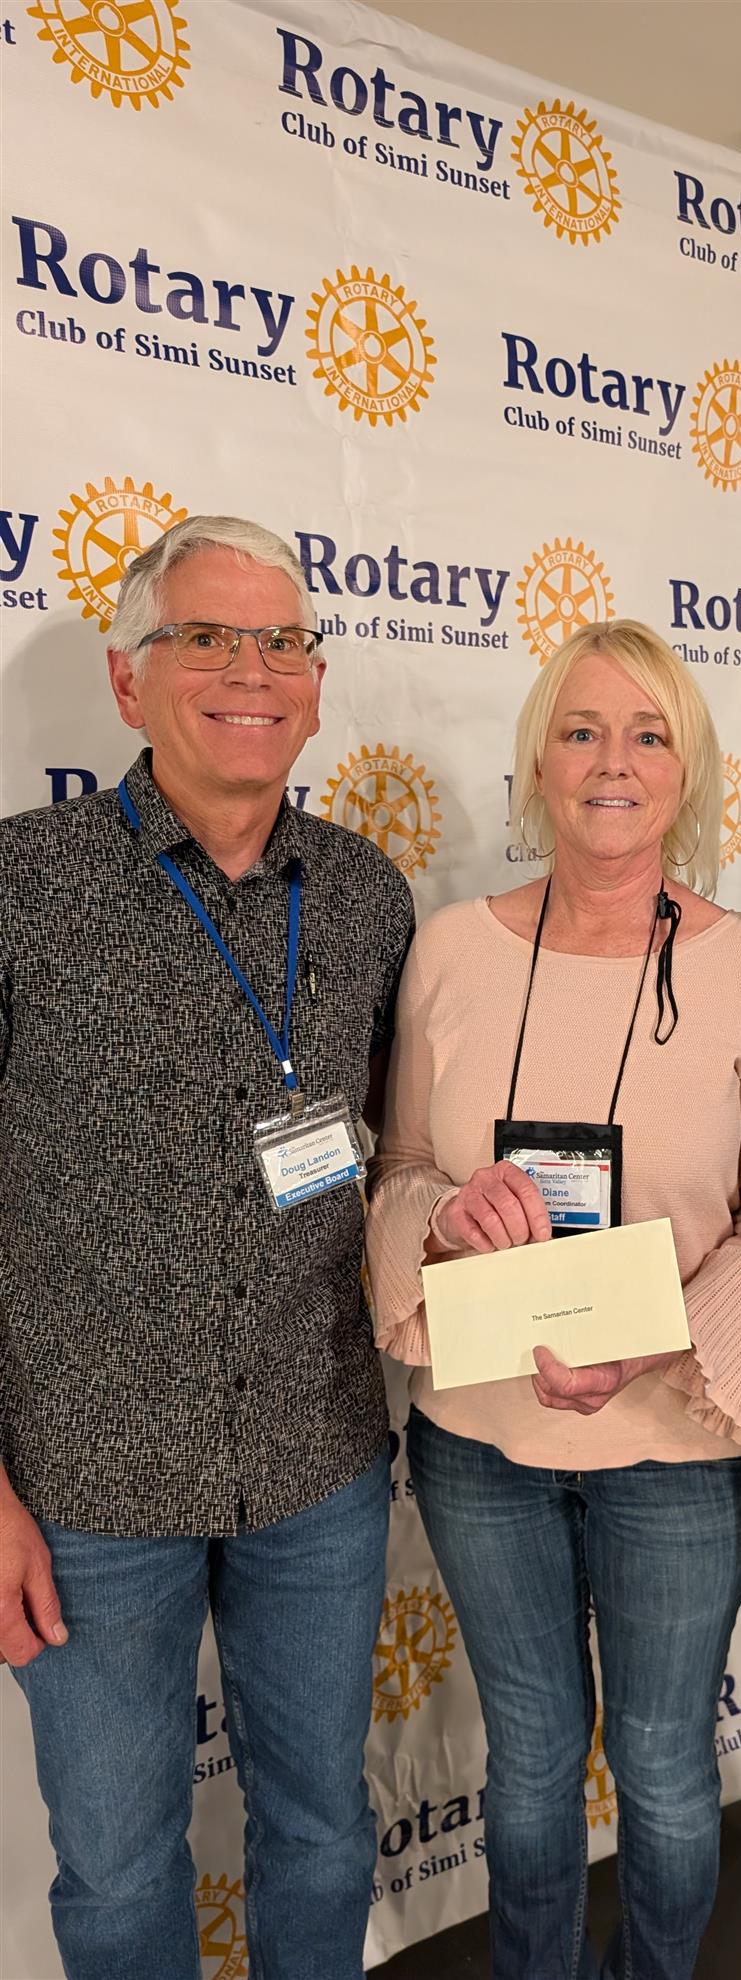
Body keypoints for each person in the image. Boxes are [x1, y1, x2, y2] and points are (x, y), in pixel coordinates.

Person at [0, 516, 413, 1980]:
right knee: (118, 1870)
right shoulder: (23, 888)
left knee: (321, 1829)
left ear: (316, 682)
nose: (253, 670)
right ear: (129, 681)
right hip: (88, 1488)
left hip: (318, 1462)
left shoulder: (366, 894)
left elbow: (401, 1158)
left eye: (282, 641)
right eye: (208, 638)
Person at [366, 618, 741, 1980]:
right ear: (539, 763)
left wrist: (657, 1345)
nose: (615, 761)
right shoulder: (449, 951)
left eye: (648, 733)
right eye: (582, 730)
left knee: (664, 1770)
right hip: (481, 1445)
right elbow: (400, 1169)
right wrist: (447, 1217)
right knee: (534, 1761)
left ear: (688, 770)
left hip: (678, 1447)